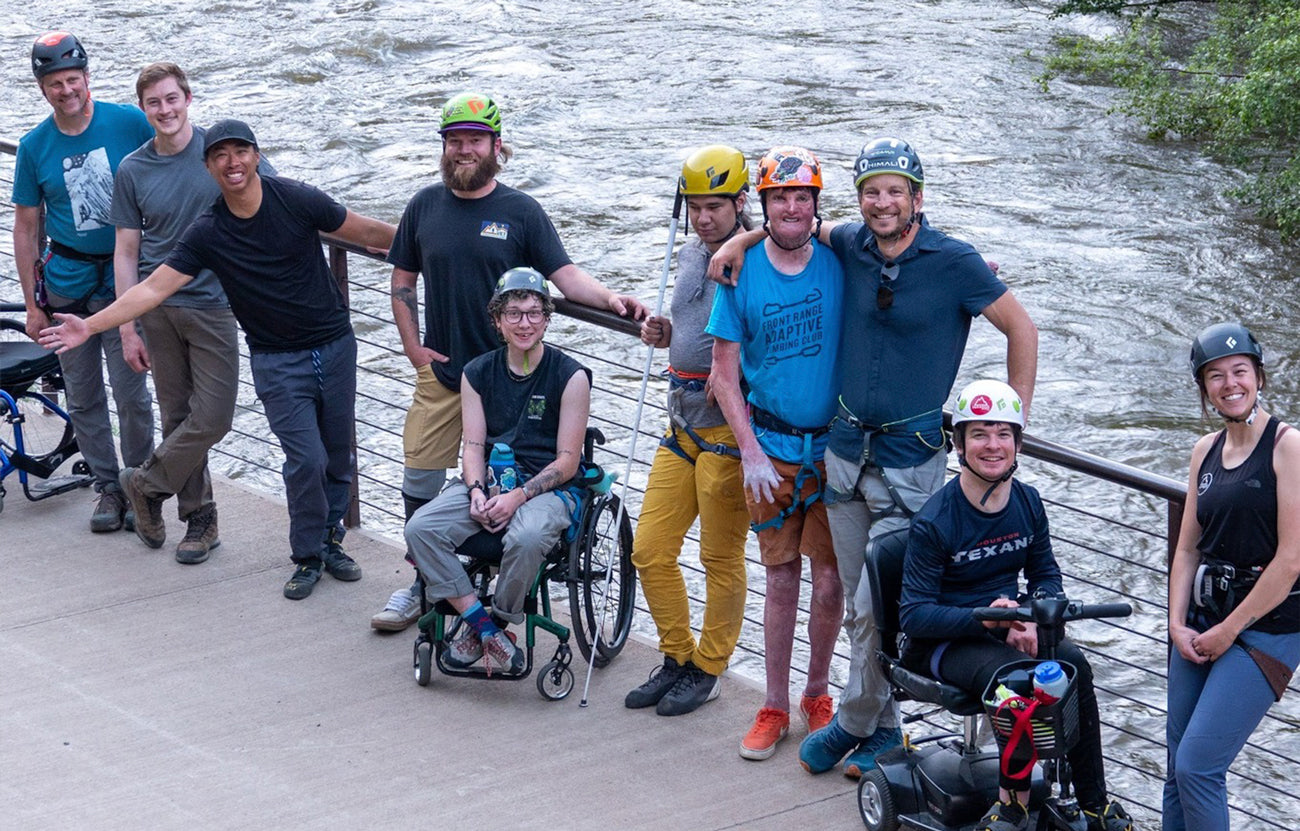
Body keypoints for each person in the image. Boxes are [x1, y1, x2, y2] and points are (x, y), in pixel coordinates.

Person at [711, 136, 1038, 779]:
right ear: (859, 201)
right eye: (871, 192)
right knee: (857, 595)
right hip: (843, 456)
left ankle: (862, 723)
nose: (883, 203)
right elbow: (796, 222)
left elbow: (1022, 330)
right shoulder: (854, 244)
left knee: (876, 601)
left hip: (908, 461)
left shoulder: (955, 261)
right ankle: (877, 726)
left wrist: (1009, 426)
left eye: (895, 191)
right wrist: (738, 240)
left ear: (917, 198)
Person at [39, 119, 396, 600]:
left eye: (241, 152)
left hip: (334, 346)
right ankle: (306, 556)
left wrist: (436, 242)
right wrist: (92, 324)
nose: (233, 162)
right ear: (208, 166)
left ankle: (331, 540)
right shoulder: (209, 231)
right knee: (305, 458)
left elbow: (367, 230)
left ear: (256, 155)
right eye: (221, 155)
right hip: (276, 359)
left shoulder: (295, 197)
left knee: (335, 456)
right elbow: (152, 287)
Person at [372, 91, 645, 631]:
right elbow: (402, 279)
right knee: (421, 481)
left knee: (504, 483)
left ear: (496, 146)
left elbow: (564, 278)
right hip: (447, 376)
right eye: (454, 141)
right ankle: (425, 586)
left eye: (474, 140)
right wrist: (412, 348)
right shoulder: (424, 205)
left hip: (514, 381)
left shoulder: (521, 212)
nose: (463, 150)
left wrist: (613, 299)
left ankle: (489, 588)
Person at [898, 380, 1131, 831]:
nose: (993, 445)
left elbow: (1045, 575)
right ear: (960, 444)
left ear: (1018, 443)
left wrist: (1039, 616)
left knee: (1072, 663)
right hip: (944, 642)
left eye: (1004, 433)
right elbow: (914, 616)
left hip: (1009, 625)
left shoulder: (1027, 501)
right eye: (980, 434)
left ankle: (1093, 803)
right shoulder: (935, 521)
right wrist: (991, 620)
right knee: (1017, 679)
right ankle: (1012, 805)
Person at [707, 146, 845, 760]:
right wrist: (751, 453)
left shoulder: (843, 260)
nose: (792, 207)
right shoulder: (739, 272)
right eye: (780, 197)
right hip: (771, 446)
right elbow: (722, 377)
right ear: (763, 204)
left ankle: (819, 695)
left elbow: (899, 237)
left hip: (835, 449)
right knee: (782, 578)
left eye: (803, 197)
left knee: (831, 581)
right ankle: (773, 704)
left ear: (817, 205)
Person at [109, 62, 273, 564]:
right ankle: (200, 522)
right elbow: (126, 252)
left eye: (171, 99)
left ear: (188, 99)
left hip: (214, 305)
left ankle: (145, 484)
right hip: (156, 308)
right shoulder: (133, 169)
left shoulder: (218, 156)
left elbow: (272, 201)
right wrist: (126, 328)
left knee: (215, 415)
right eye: (154, 103)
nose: (165, 110)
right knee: (178, 416)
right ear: (144, 109)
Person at [403, 267, 591, 675]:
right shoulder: (477, 372)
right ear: (497, 321)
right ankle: (483, 627)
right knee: (420, 528)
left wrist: (518, 497)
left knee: (526, 536)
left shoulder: (570, 376)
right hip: (489, 478)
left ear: (546, 318)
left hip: (547, 489)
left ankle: (502, 618)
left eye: (534, 313)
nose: (525, 323)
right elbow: (472, 445)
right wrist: (475, 489)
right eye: (514, 314)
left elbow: (568, 461)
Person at [623, 146, 753, 717]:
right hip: (680, 420)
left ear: (740, 203)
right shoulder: (689, 253)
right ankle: (678, 657)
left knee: (719, 557)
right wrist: (667, 332)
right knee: (649, 549)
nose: (704, 218)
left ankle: (710, 668)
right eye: (696, 207)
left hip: (727, 427)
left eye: (715, 208)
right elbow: (699, 324)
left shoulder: (760, 258)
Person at [11, 31, 155, 533]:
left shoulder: (129, 122)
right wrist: (33, 306)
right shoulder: (33, 147)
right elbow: (27, 227)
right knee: (84, 393)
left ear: (87, 78)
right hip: (67, 282)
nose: (66, 90)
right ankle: (107, 488)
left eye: (73, 79)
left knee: (132, 391)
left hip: (125, 282)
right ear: (42, 88)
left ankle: (142, 486)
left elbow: (172, 165)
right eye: (55, 83)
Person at [1164, 323, 1300, 831]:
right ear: (1204, 389)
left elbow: (1291, 560)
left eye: (1239, 371)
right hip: (1200, 619)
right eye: (1215, 376)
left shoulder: (1289, 447)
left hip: (1266, 628)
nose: (1230, 384)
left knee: (1199, 766)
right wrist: (1176, 622)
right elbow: (1187, 547)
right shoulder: (1204, 450)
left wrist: (1229, 631)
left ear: (1259, 376)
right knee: (1178, 766)